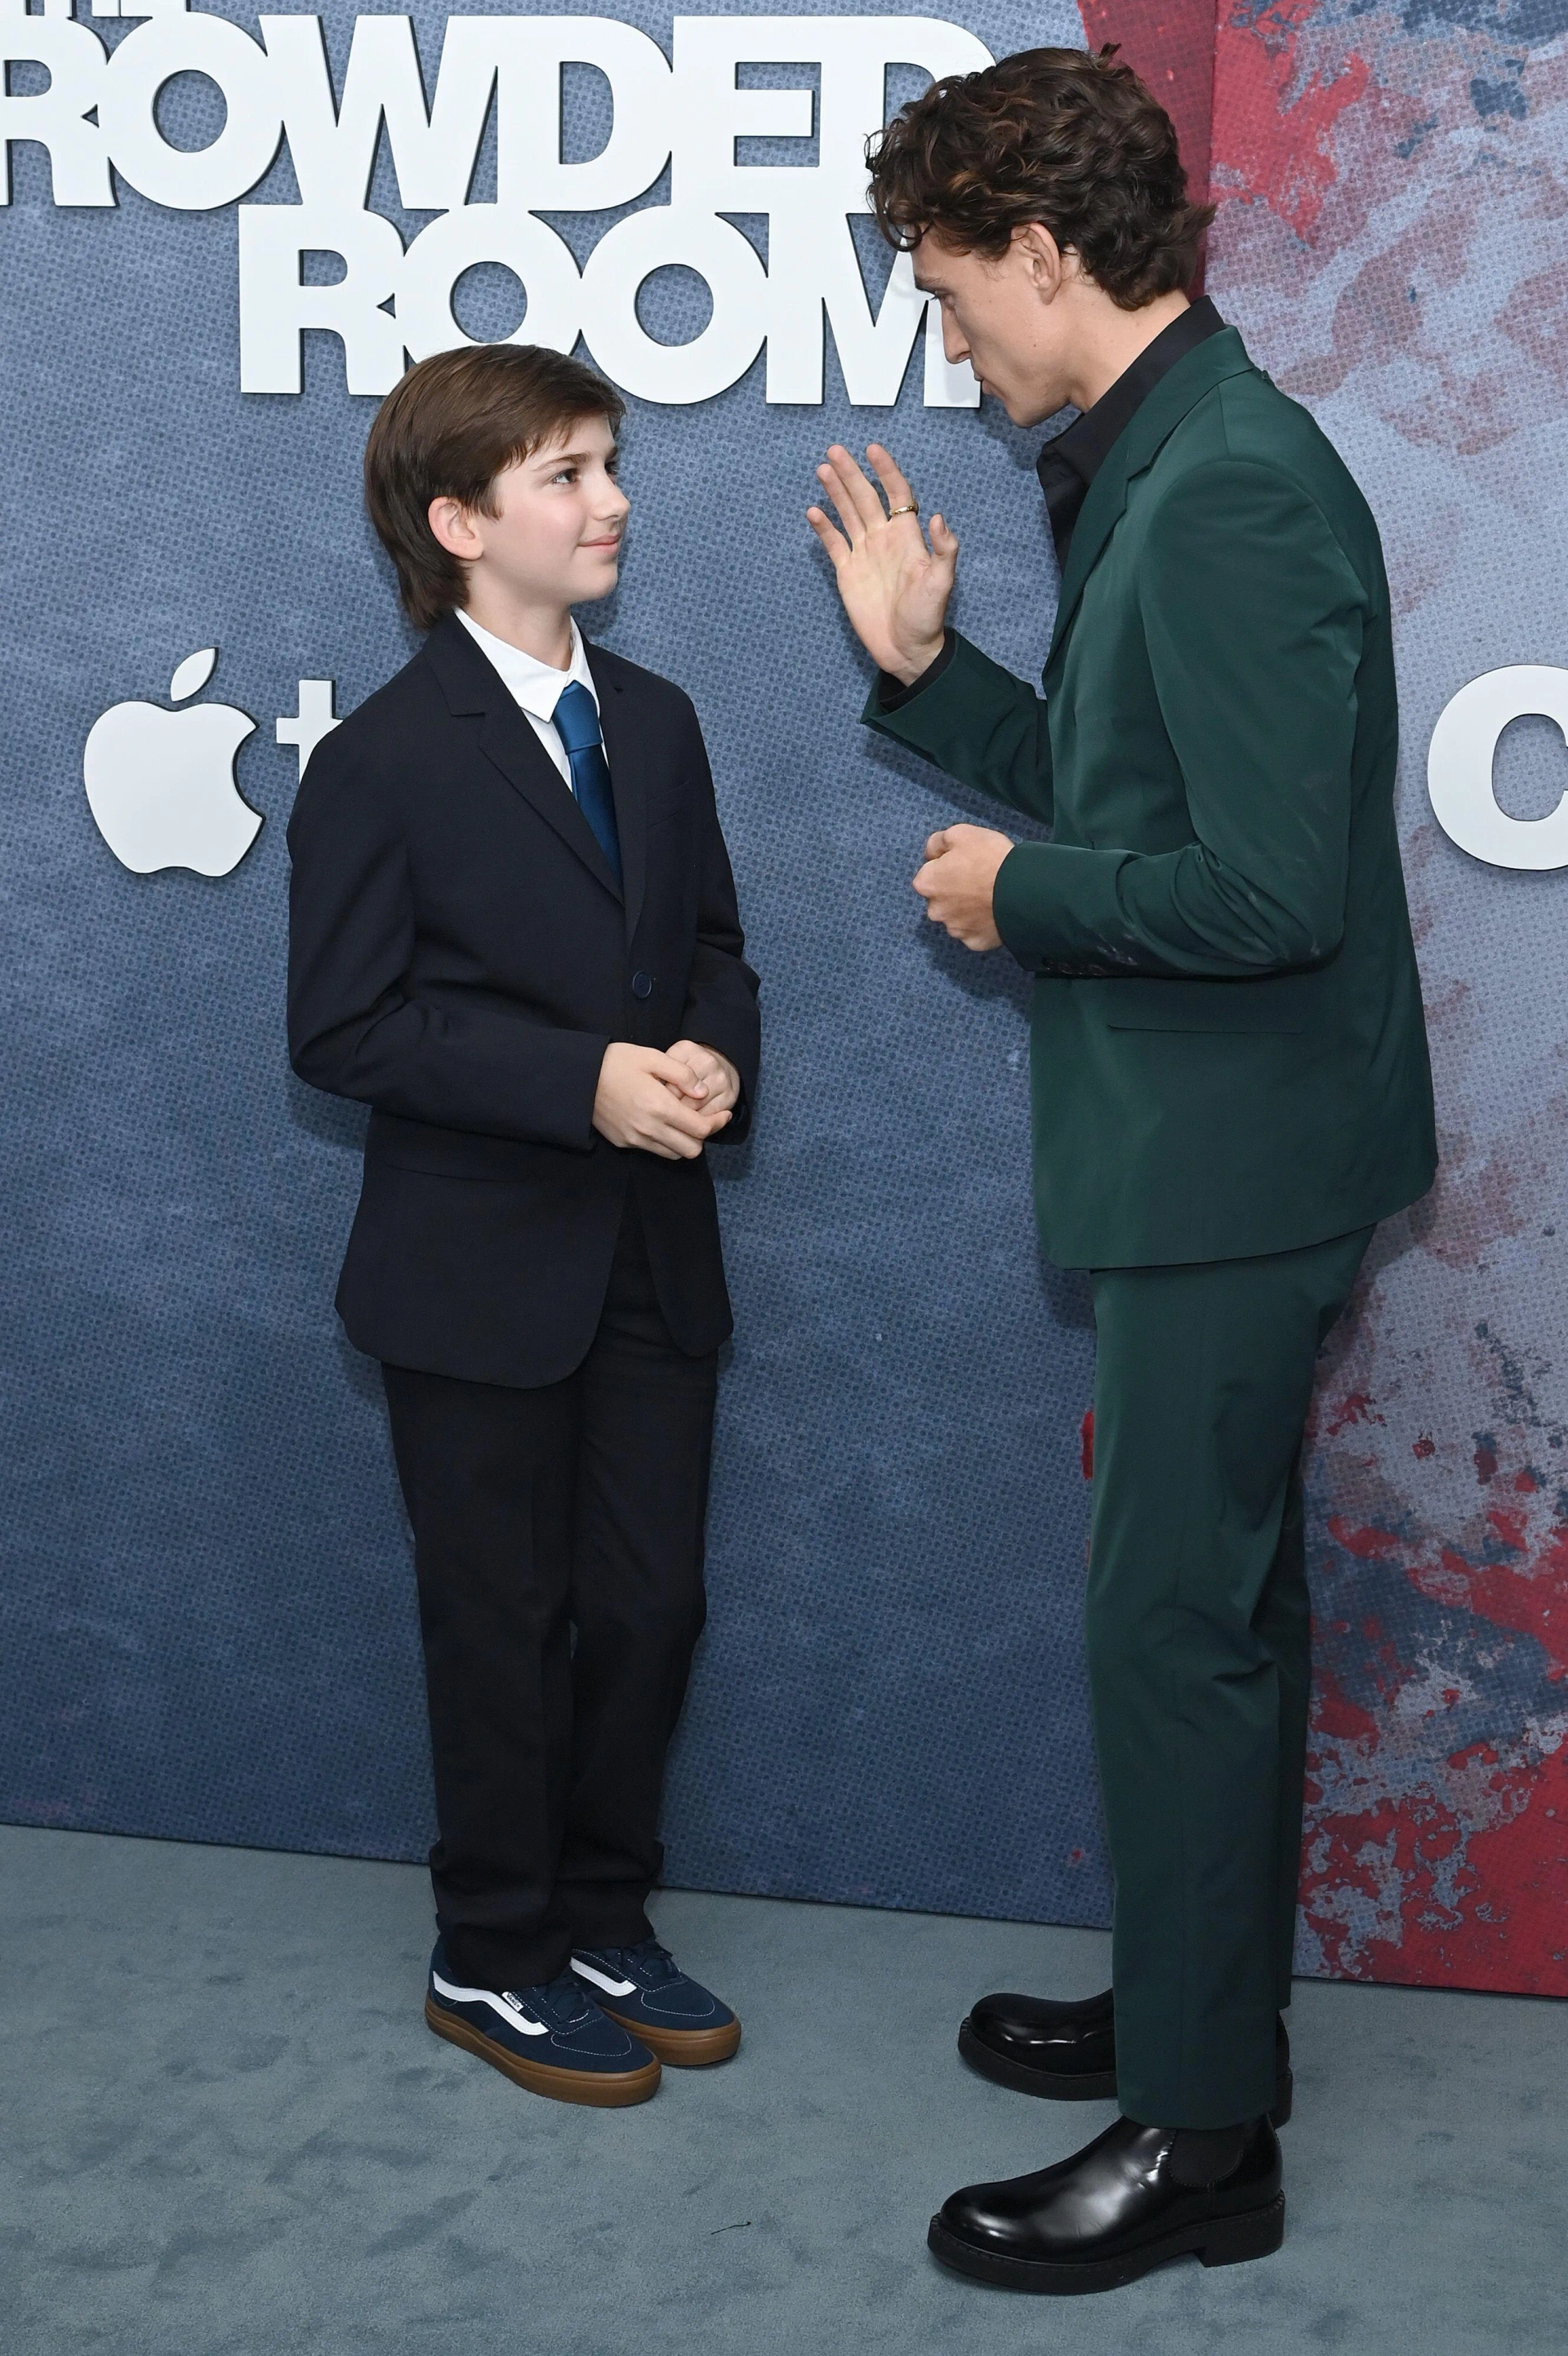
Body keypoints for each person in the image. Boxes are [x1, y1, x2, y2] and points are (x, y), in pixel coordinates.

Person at [808, 47, 1435, 2291]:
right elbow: (1119, 770)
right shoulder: (1169, 459)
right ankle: (1198, 2015)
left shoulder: (1234, 482)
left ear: (1052, 253)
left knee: (1172, 1631)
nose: (946, 339)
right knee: (1211, 1626)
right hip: (1223, 1147)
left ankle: (1199, 2146)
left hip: (1233, 1162)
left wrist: (1019, 896)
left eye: (955, 290)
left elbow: (1264, 887)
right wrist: (933, 674)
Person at [287, 345, 760, 2108]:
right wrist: (584, 1082)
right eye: (568, 472)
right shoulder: (381, 759)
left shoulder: (663, 719)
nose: (612, 498)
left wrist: (708, 1054)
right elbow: (341, 1028)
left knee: (650, 1606)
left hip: (654, 1257)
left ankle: (600, 1913)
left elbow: (713, 942)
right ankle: (489, 1946)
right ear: (460, 521)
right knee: (499, 1616)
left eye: (610, 463)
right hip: (472, 1276)